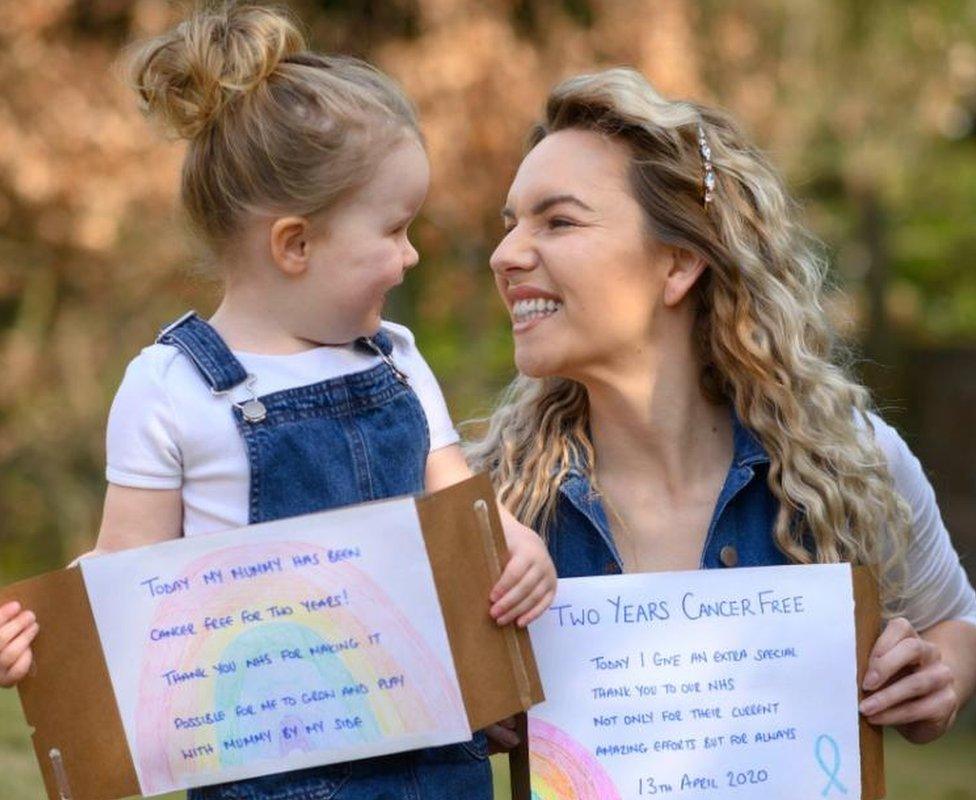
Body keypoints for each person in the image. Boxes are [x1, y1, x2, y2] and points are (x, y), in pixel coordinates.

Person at [0, 5, 556, 799]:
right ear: (294, 245)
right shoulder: (171, 387)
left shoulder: (396, 360)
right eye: (394, 230)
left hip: (437, 762)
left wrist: (513, 548)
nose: (412, 256)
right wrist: (38, 636)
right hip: (267, 776)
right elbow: (126, 579)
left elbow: (460, 511)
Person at [470, 67, 976, 752]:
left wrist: (938, 676)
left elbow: (954, 619)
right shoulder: (488, 506)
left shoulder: (846, 460)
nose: (504, 255)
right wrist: (472, 713)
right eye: (510, 226)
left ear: (677, 265)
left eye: (557, 221)